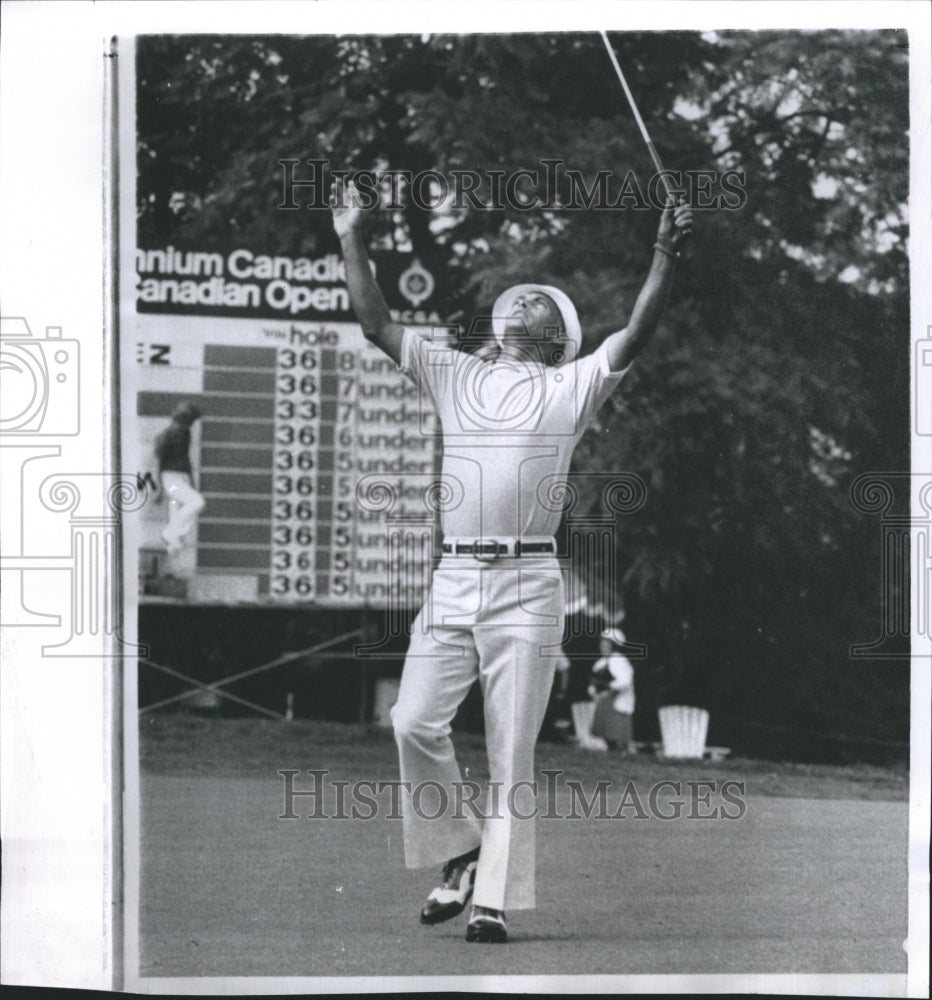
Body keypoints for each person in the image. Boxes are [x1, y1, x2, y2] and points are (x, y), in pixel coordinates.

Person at [331, 175, 692, 943]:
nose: (529, 306)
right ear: (501, 323)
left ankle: (491, 901)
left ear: (554, 337)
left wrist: (663, 251)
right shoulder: (452, 371)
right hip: (456, 577)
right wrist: (350, 234)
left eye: (544, 308)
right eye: (521, 302)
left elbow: (638, 331)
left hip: (529, 584)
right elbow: (372, 321)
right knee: (410, 721)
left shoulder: (571, 385)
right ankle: (461, 851)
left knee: (510, 752)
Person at [154, 401, 205, 555]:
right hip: (170, 478)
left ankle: (173, 543)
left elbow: (186, 459)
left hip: (182, 478)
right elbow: (158, 463)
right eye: (188, 423)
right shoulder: (164, 436)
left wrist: (192, 482)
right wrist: (159, 488)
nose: (189, 427)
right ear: (180, 420)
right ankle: (169, 534)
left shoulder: (185, 434)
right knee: (197, 502)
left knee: (176, 514)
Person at [588, 627, 636, 752]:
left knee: (617, 734)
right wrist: (593, 688)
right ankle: (611, 751)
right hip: (603, 701)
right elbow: (594, 680)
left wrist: (609, 686)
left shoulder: (619, 661)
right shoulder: (600, 663)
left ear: (613, 646)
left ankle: (621, 753)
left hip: (617, 702)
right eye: (601, 643)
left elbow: (625, 682)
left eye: (606, 644)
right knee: (606, 734)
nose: (602, 646)